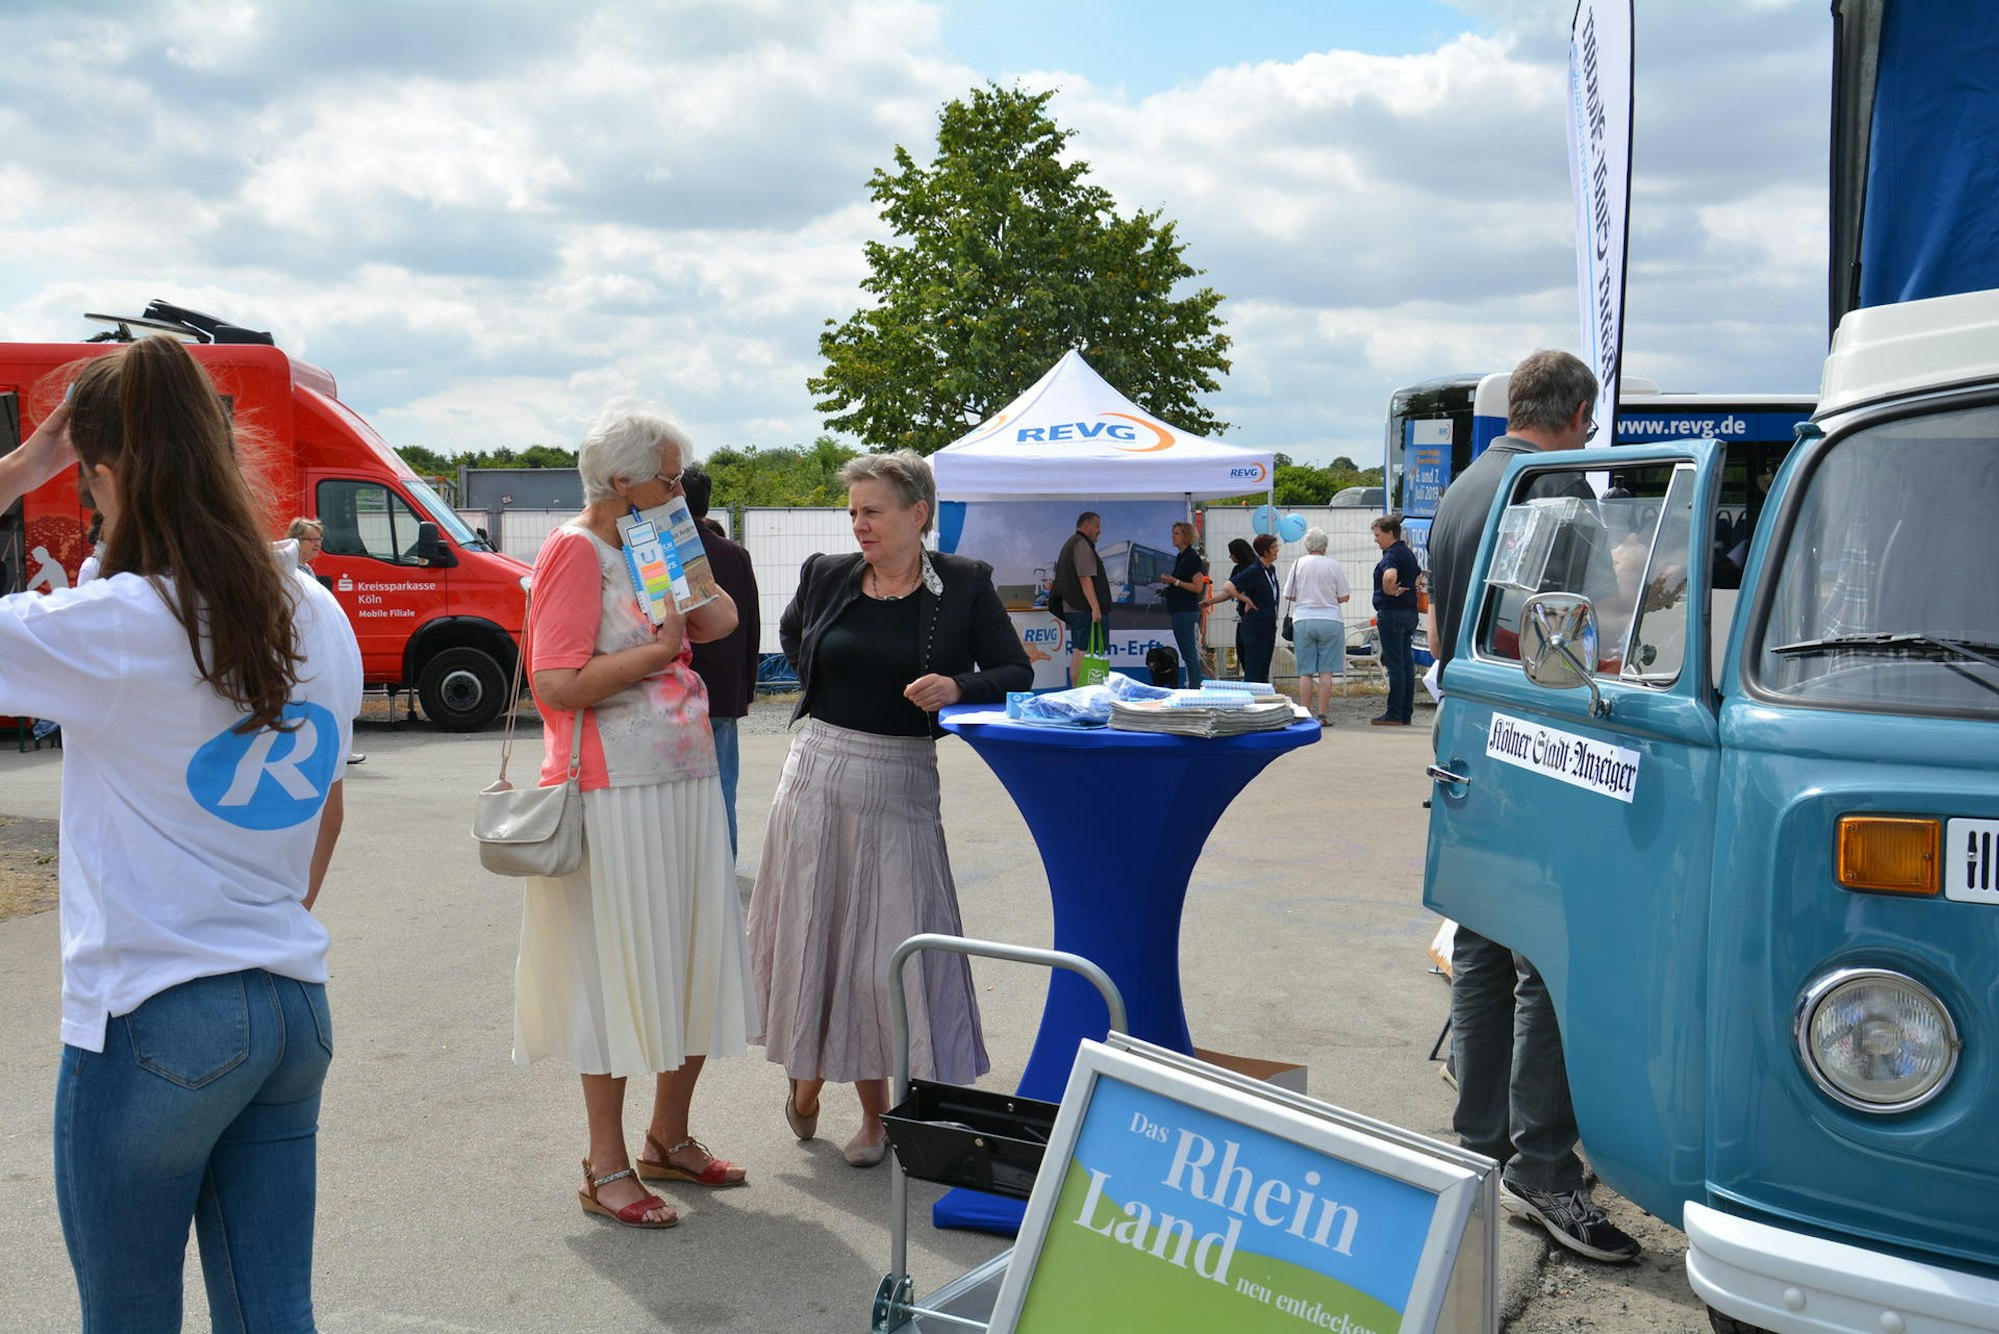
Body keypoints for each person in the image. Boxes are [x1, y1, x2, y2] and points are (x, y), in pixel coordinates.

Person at [1, 336, 361, 1328]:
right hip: (291, 1003)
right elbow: (328, 800)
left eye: (90, 489)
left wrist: (24, 468)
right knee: (273, 1308)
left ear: (104, 469)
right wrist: (262, 922)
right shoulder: (315, 608)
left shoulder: (113, 624)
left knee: (128, 1311)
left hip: (154, 1008)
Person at [750, 450, 1031, 1167]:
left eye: (872, 511)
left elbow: (1016, 672)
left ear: (918, 514)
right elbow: (794, 638)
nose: (859, 525)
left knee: (884, 955)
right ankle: (806, 1079)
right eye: (853, 512)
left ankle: (878, 1117)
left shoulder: (963, 585)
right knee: (817, 938)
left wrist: (957, 687)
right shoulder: (827, 574)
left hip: (901, 781)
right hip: (814, 774)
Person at [1424, 348, 1639, 1263]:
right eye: (1590, 417)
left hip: (1470, 737)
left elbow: (1449, 631)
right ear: (1578, 409)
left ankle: (1481, 1146)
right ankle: (1542, 1167)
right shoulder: (1557, 488)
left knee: (1480, 943)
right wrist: (1639, 588)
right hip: (1537, 745)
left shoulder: (1465, 487)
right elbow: (1578, 637)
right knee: (1545, 959)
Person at [516, 408, 754, 1230]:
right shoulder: (574, 551)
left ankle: (668, 1138)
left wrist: (678, 551)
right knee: (617, 975)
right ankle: (605, 1163)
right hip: (613, 791)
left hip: (682, 779)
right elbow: (554, 683)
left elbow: (720, 626)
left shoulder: (648, 541)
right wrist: (657, 653)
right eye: (670, 476)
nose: (680, 488)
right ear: (622, 482)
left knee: (686, 959)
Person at [679, 463, 760, 863]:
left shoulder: (662, 550)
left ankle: (689, 869)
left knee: (675, 790)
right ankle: (723, 867)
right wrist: (746, 687)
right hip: (724, 690)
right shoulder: (735, 554)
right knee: (723, 785)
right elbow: (750, 624)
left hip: (673, 688)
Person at [286, 516, 365, 766]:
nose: (318, 544)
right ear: (295, 541)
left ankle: (333, 747)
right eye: (312, 540)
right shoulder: (289, 572)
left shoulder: (306, 569)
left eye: (319, 539)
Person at [1283, 527, 1352, 724]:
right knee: (1326, 672)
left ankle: (1305, 714)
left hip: (1303, 619)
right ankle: (1322, 715)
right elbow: (1344, 596)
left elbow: (1289, 594)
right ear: (1325, 546)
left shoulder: (1297, 564)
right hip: (1331, 619)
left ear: (1307, 545)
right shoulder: (1333, 565)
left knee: (1305, 672)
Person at [1368, 515, 1422, 725]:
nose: (1376, 540)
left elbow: (1389, 576)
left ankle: (1394, 713)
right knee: (1406, 663)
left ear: (1390, 533)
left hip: (1392, 613)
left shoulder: (1391, 554)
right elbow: (1418, 576)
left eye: (1378, 535)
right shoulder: (1407, 552)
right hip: (1410, 612)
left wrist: (1390, 591)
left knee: (1395, 664)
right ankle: (1405, 712)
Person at [1051, 510, 1110, 684]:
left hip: (1075, 609)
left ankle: (1076, 688)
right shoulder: (1082, 545)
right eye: (1097, 526)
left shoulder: (1072, 543)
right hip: (1083, 610)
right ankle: (1081, 691)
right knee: (1083, 652)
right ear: (1086, 526)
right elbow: (1085, 578)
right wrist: (1096, 608)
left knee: (1078, 650)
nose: (1100, 530)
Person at [1219, 533, 1281, 684]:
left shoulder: (1270, 570)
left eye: (1277, 546)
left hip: (1268, 625)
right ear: (1264, 551)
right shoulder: (1255, 570)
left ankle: (1262, 703)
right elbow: (1228, 586)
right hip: (1255, 627)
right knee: (1253, 673)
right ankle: (1250, 704)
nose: (1277, 550)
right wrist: (1245, 598)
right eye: (1274, 547)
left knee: (1262, 674)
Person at [1157, 520, 1208, 687]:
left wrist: (1175, 582)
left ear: (1186, 536)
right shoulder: (1181, 557)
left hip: (1185, 612)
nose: (1173, 536)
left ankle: (1196, 688)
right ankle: (1196, 685)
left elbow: (1197, 587)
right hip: (1179, 610)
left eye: (1177, 533)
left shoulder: (1192, 559)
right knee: (1188, 654)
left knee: (1189, 655)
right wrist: (1169, 588)